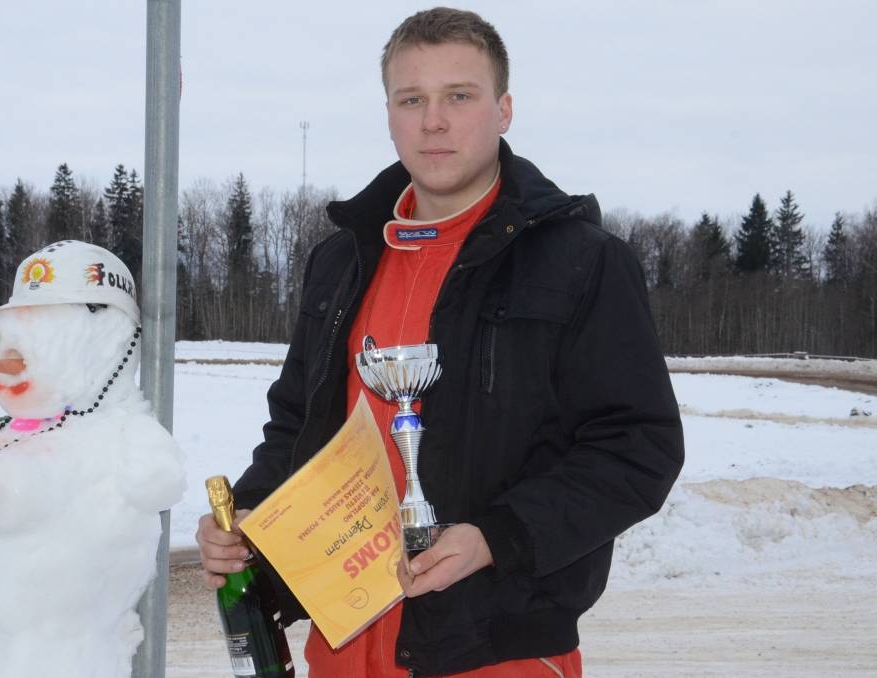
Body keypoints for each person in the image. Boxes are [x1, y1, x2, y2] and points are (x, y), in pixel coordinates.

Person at [196, 7, 684, 677]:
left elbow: (639, 448)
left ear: (504, 109)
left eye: (459, 96)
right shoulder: (341, 261)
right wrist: (248, 518)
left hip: (496, 647)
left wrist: (496, 538)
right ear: (390, 113)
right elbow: (296, 428)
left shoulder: (580, 262)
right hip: (344, 643)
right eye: (412, 99)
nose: (434, 120)